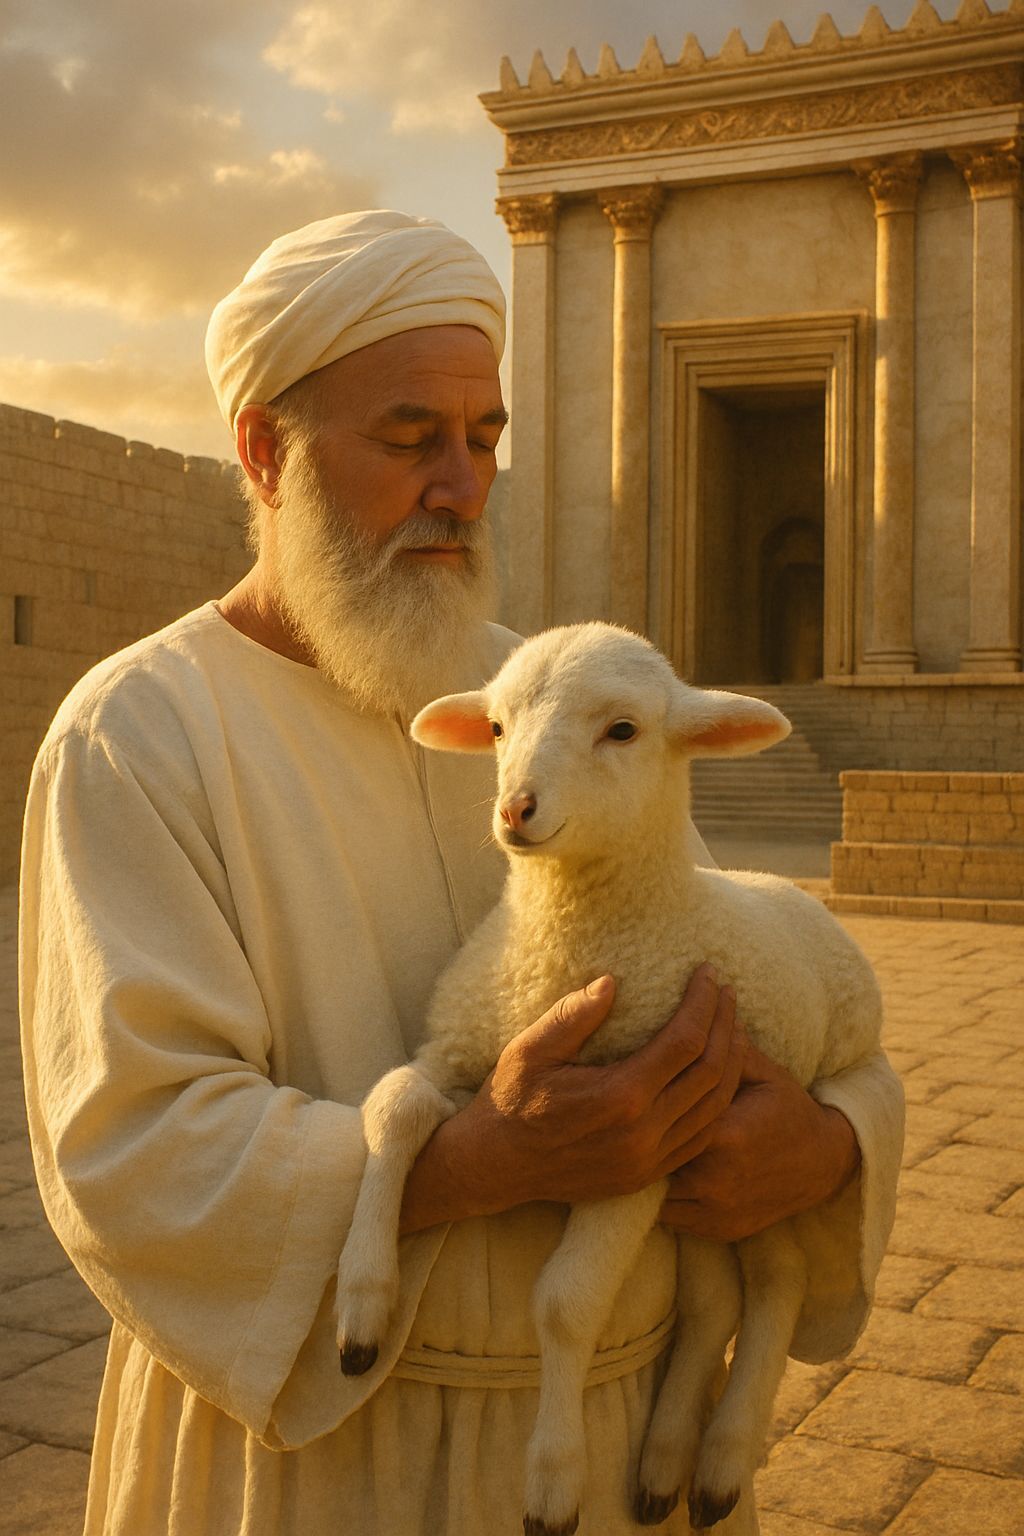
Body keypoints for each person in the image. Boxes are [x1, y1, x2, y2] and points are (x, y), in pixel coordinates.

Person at [19, 210, 904, 1536]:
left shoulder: (552, 690)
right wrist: (476, 1159)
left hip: (612, 1453)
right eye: (410, 437)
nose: (464, 483)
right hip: (321, 1471)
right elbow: (133, 1155)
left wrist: (828, 1145)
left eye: (484, 438)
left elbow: (729, 966)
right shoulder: (139, 733)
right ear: (265, 449)